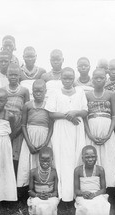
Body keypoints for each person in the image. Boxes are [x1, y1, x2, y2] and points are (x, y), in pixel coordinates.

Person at [45, 67, 88, 205]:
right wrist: (68, 116)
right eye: (65, 78)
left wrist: (75, 112)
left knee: (76, 158)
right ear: (61, 78)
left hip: (76, 129)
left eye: (70, 78)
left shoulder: (80, 91)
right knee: (61, 159)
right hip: (61, 129)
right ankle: (63, 195)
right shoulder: (56, 93)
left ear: (74, 78)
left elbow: (85, 111)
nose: (68, 80)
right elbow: (51, 113)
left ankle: (76, 195)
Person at [84, 68, 115, 203]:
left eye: (102, 78)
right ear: (92, 79)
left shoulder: (111, 94)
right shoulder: (87, 95)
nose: (99, 80)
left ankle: (110, 194)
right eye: (96, 78)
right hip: (92, 131)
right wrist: (90, 135)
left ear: (106, 79)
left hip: (107, 132)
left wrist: (109, 134)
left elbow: (114, 116)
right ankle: (92, 192)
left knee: (108, 160)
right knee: (92, 159)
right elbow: (85, 117)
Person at [17, 80, 53, 188]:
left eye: (40, 91)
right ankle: (26, 188)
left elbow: (51, 126)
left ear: (45, 91)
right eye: (35, 91)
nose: (38, 94)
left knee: (42, 161)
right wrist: (29, 143)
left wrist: (46, 143)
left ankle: (42, 187)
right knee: (27, 162)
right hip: (30, 137)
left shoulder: (49, 105)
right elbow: (23, 125)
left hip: (44, 137)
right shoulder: (27, 105)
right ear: (32, 92)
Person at [3, 63, 30, 176]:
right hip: (5, 124)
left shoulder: (24, 91)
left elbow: (27, 109)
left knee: (16, 153)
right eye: (11, 75)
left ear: (19, 75)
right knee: (5, 152)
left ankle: (16, 184)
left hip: (19, 125)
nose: (13, 77)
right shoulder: (2, 90)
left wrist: (18, 130)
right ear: (7, 75)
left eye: (15, 75)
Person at [74, 145, 110, 215]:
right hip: (83, 196)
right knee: (86, 207)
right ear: (82, 158)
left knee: (101, 205)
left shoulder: (100, 170)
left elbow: (103, 189)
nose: (90, 159)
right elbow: (76, 191)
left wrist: (95, 194)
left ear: (96, 157)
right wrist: (83, 193)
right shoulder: (78, 170)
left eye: (93, 157)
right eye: (87, 157)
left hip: (97, 195)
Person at [27, 147, 59, 215]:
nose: (45, 163)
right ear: (39, 159)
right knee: (37, 204)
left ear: (52, 159)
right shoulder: (33, 172)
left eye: (48, 160)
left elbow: (56, 192)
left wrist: (49, 195)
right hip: (37, 197)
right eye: (42, 160)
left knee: (52, 204)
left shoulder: (54, 172)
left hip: (50, 197)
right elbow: (30, 191)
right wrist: (38, 195)